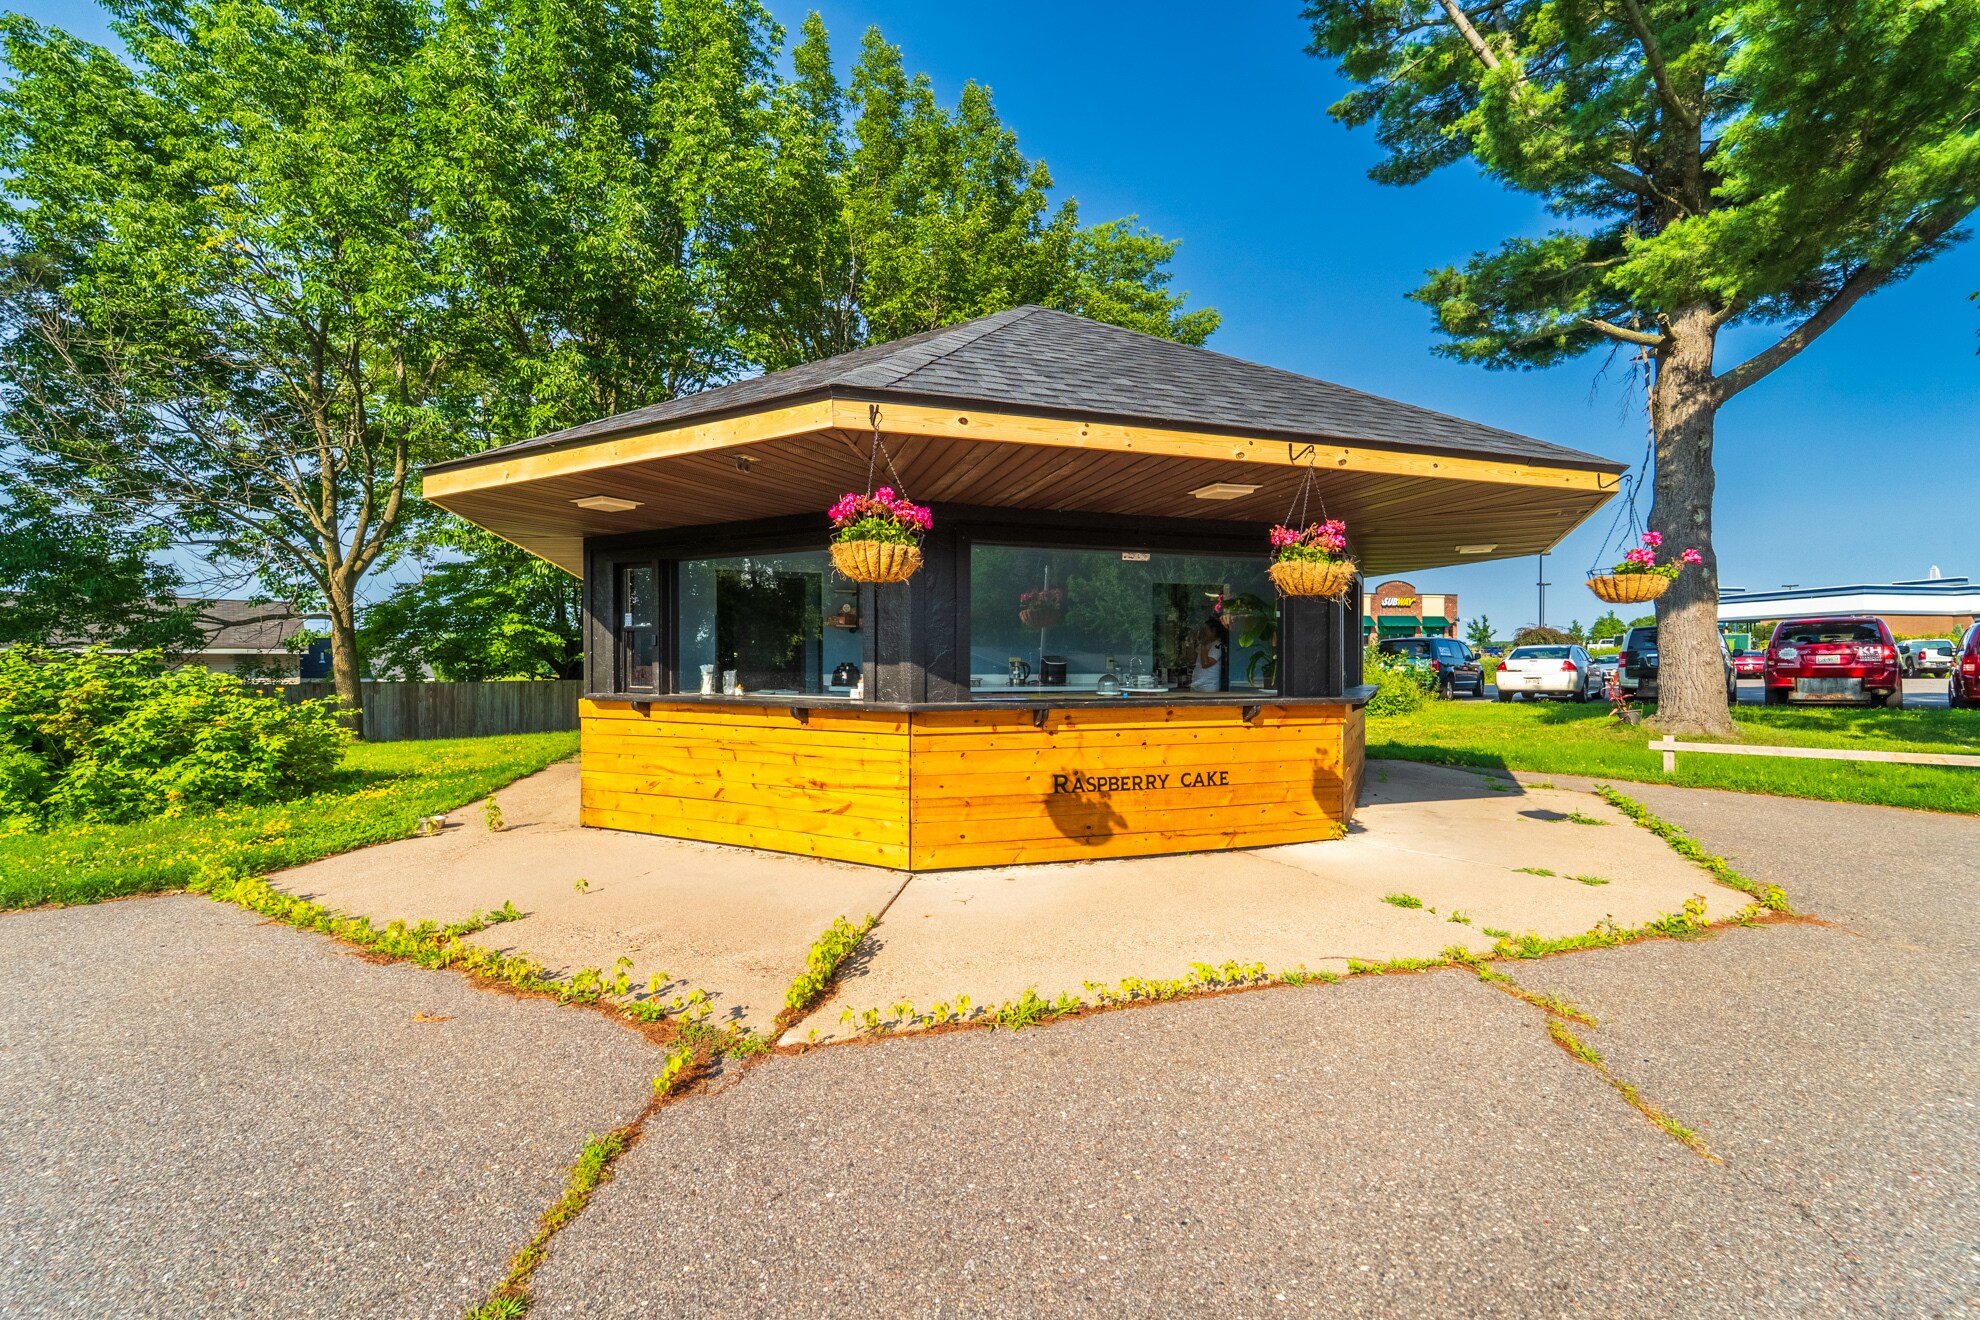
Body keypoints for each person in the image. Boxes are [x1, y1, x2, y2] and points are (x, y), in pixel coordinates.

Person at [1190, 618, 1226, 692]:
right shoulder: (1205, 644)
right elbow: (1192, 659)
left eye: (1205, 630)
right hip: (1197, 683)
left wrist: (1203, 645)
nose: (1203, 632)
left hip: (1208, 686)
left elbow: (1206, 664)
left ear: (1213, 630)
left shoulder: (1218, 645)